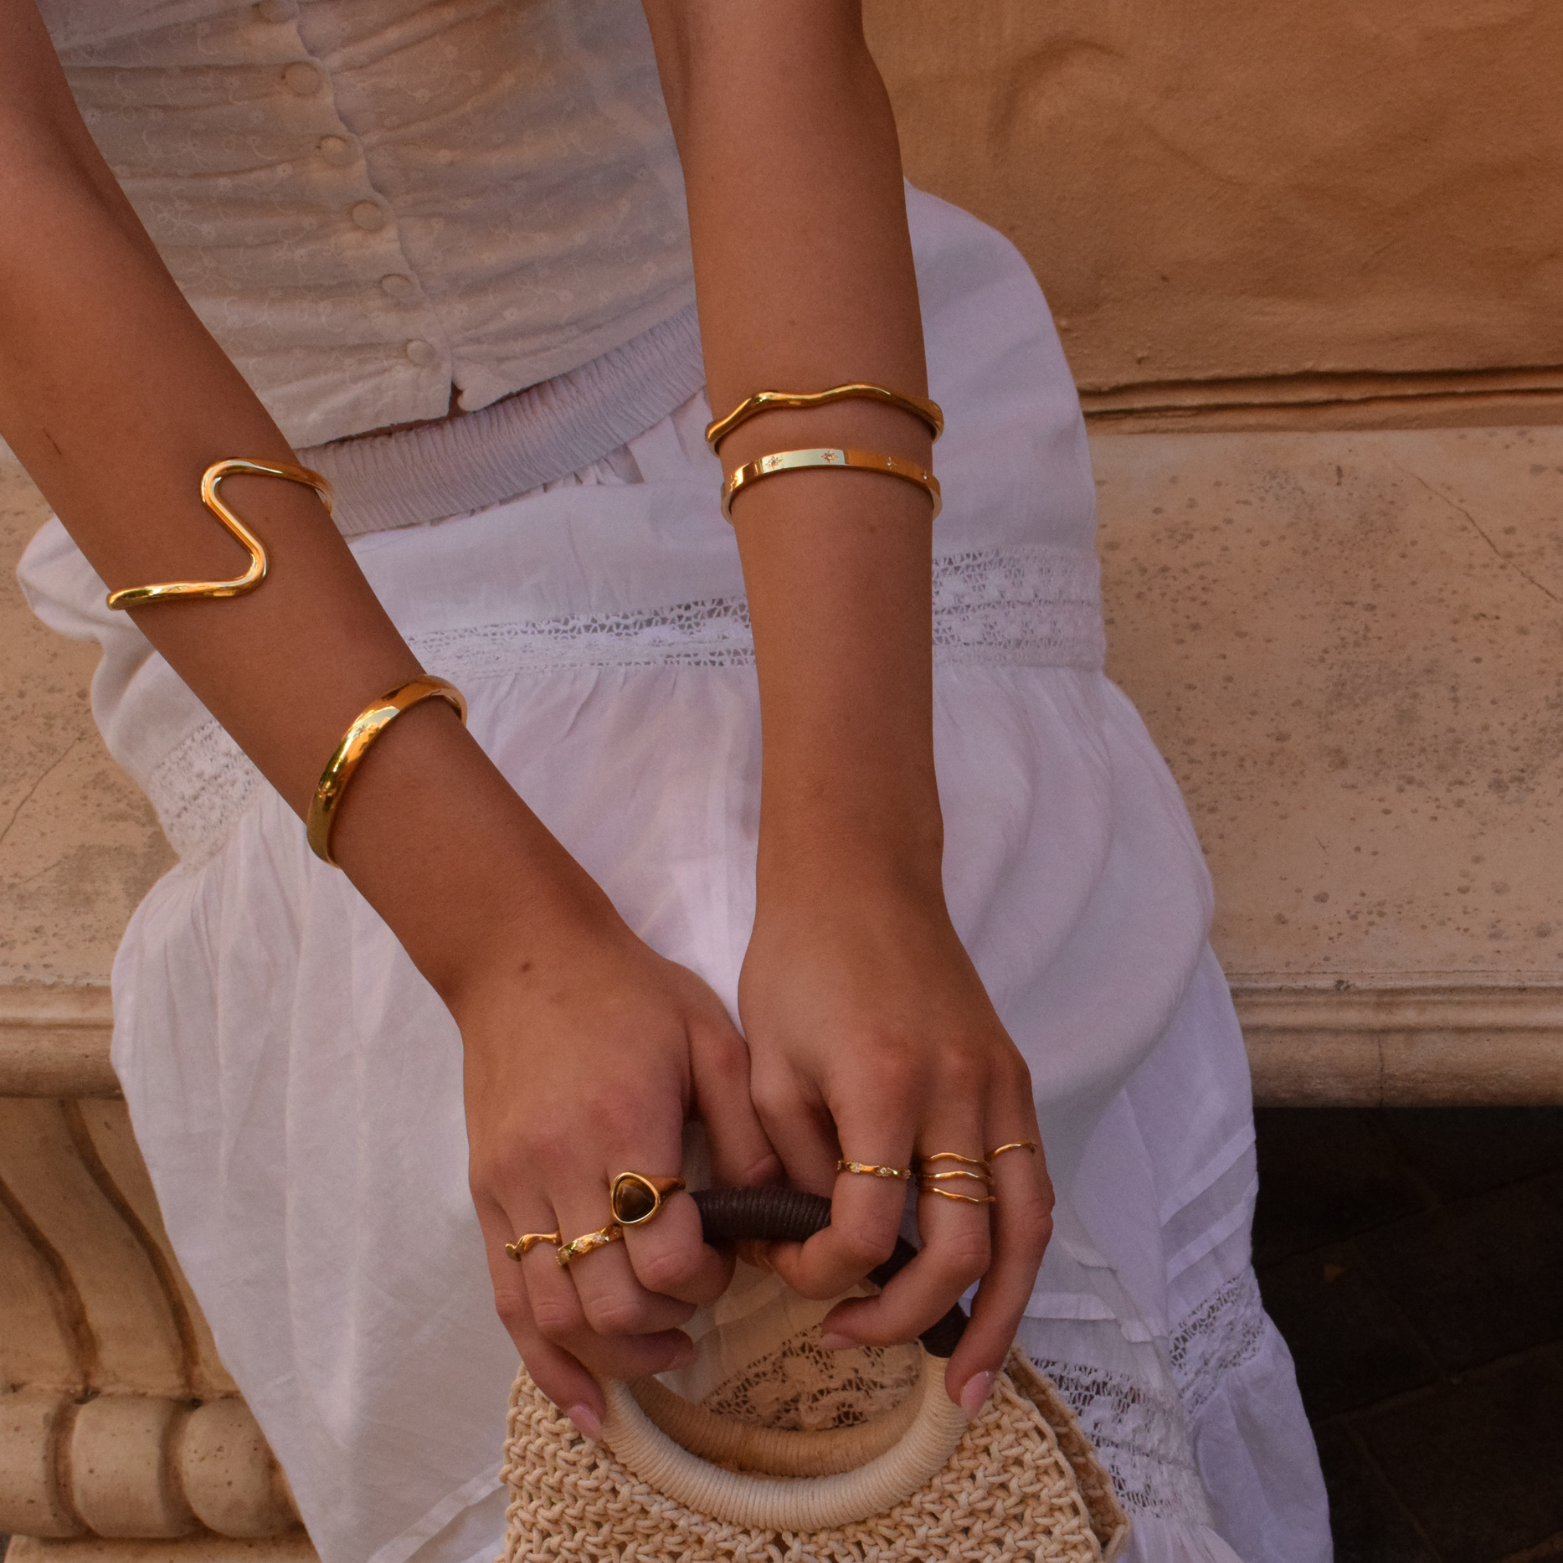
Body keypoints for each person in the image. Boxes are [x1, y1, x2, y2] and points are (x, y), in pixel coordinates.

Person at [1, 1, 1330, 1559]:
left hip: (761, 388)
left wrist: (866, 872)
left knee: (863, 1101)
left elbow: (760, 50)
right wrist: (506, 956)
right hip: (293, 571)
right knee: (591, 1165)